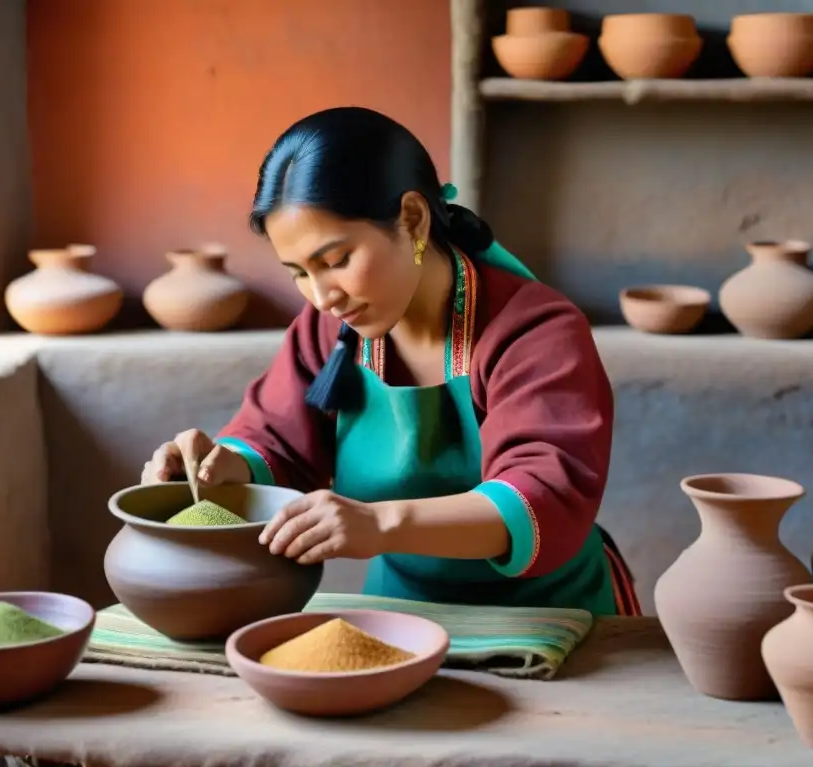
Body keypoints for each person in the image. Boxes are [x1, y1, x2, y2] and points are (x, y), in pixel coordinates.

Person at [141, 106, 641, 616]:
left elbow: (543, 496)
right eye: (298, 272)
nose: (321, 296)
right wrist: (225, 468)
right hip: (401, 610)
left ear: (413, 219)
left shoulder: (534, 332)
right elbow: (278, 443)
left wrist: (379, 524)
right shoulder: (329, 330)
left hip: (552, 614)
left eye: (336, 261)